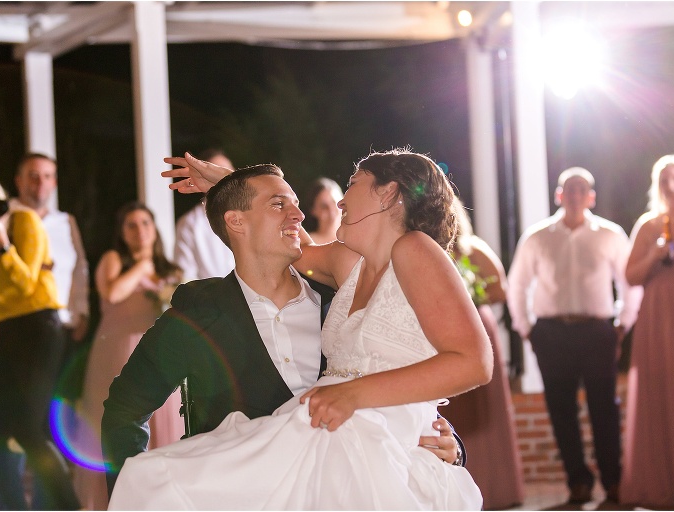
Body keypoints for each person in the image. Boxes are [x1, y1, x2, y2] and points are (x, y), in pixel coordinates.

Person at [107, 149, 492, 509]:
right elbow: (283, 240)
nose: (338, 202)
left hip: (362, 443)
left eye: (354, 183)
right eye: (280, 204)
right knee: (153, 478)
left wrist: (443, 441)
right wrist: (231, 186)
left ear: (388, 193)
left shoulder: (414, 250)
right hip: (306, 445)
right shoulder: (345, 266)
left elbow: (471, 361)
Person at [0, 153, 89, 509]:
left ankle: (70, 506)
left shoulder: (22, 220)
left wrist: (0, 236)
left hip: (41, 327)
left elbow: (25, 283)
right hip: (10, 332)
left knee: (28, 429)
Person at [507, 167, 640, 506]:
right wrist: (527, 328)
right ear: (559, 195)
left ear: (591, 197)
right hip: (551, 334)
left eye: (582, 189)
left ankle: (613, 484)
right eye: (570, 189)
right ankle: (577, 484)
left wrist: (622, 322)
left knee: (604, 410)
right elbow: (518, 284)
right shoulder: (537, 236)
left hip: (598, 332)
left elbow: (628, 283)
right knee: (561, 410)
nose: (576, 194)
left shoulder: (609, 235)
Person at [73, 201, 183, 509]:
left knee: (163, 421)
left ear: (155, 229)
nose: (140, 231)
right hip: (117, 348)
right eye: (131, 225)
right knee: (116, 419)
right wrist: (141, 266)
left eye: (145, 223)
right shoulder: (113, 260)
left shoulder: (169, 270)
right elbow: (113, 294)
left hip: (157, 353)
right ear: (121, 232)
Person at [620, 155, 674, 509]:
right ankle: (666, 480)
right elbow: (631, 276)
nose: (671, 185)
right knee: (664, 390)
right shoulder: (649, 225)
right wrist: (653, 254)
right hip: (660, 319)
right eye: (664, 179)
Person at [445, 197, 525, 510]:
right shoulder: (425, 249)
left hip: (477, 328)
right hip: (444, 334)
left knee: (483, 408)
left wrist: (470, 294)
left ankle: (493, 487)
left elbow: (500, 289)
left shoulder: (472, 248)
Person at [172, 148, 235, 280]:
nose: (224, 179)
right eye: (216, 173)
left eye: (226, 172)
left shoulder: (252, 213)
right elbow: (185, 276)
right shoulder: (190, 223)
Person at [301, 177, 344, 244]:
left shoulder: (355, 240)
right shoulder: (307, 243)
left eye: (334, 203)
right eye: (324, 206)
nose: (331, 210)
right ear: (313, 210)